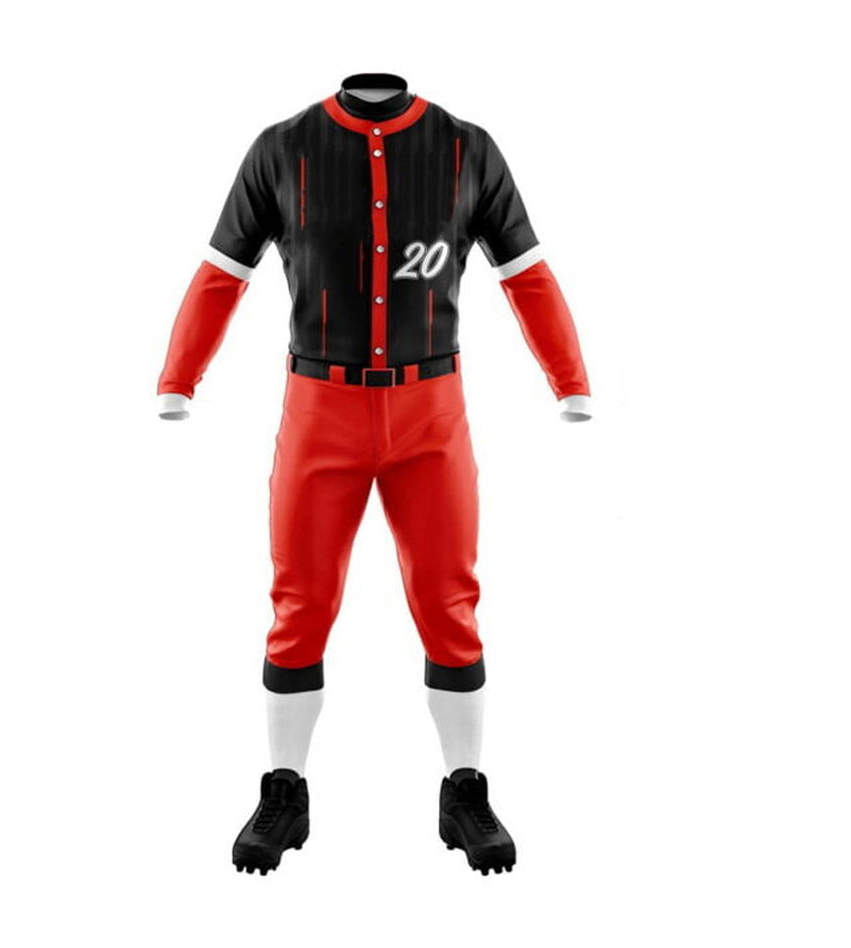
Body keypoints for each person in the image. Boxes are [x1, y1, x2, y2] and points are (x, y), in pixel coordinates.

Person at [156, 74, 591, 875]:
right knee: (300, 599)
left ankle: (464, 789)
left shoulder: (466, 149)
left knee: (450, 599)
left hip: (432, 413)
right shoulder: (283, 149)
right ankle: (285, 791)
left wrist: (571, 381)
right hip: (320, 410)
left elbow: (526, 272)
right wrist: (178, 379)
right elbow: (223, 271)